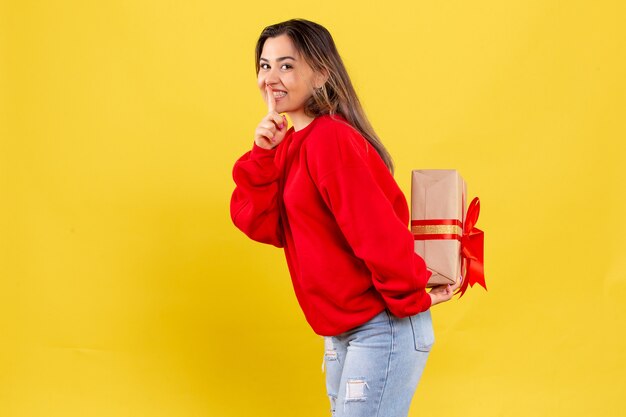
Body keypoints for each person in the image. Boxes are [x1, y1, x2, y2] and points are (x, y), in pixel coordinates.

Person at [230, 18, 460, 417]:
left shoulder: (330, 139)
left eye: (286, 65)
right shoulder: (291, 145)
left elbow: (376, 233)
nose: (271, 78)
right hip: (343, 332)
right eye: (265, 66)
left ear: (321, 73)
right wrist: (263, 153)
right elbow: (261, 223)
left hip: (380, 326)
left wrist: (413, 295)